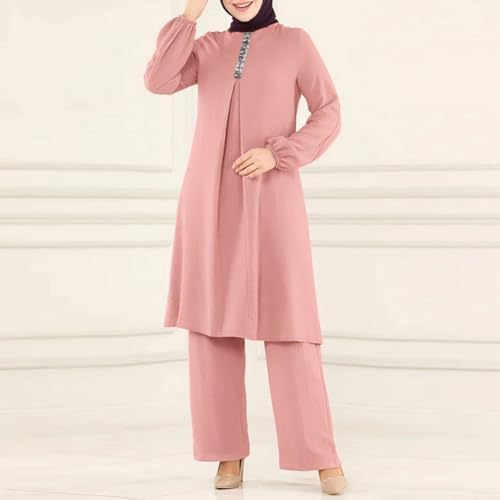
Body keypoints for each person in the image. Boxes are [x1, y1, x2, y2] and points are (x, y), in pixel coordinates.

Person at [144, 0, 347, 494]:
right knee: (211, 324)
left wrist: (280, 153)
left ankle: (320, 455)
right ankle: (227, 454)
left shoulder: (295, 42)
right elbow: (159, 80)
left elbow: (328, 111)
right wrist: (189, 16)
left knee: (290, 322)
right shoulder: (208, 46)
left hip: (272, 196)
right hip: (208, 202)